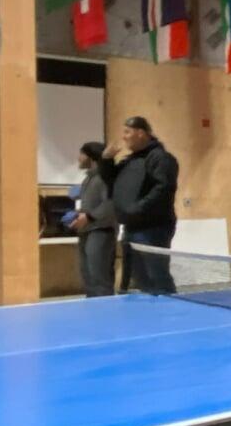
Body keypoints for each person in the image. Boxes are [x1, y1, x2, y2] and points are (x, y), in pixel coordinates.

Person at [104, 116, 179, 295]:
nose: (124, 137)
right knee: (141, 278)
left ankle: (171, 315)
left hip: (154, 228)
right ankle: (151, 317)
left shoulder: (161, 158)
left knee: (157, 275)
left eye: (127, 132)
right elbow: (111, 181)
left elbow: (164, 188)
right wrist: (106, 161)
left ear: (141, 133)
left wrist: (137, 208)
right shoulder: (130, 160)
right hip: (132, 226)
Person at [72, 141, 117, 297]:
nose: (78, 158)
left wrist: (90, 217)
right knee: (88, 275)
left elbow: (110, 204)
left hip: (101, 231)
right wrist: (77, 216)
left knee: (99, 276)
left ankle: (105, 313)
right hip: (86, 231)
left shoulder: (105, 178)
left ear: (90, 156)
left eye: (81, 154)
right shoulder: (87, 179)